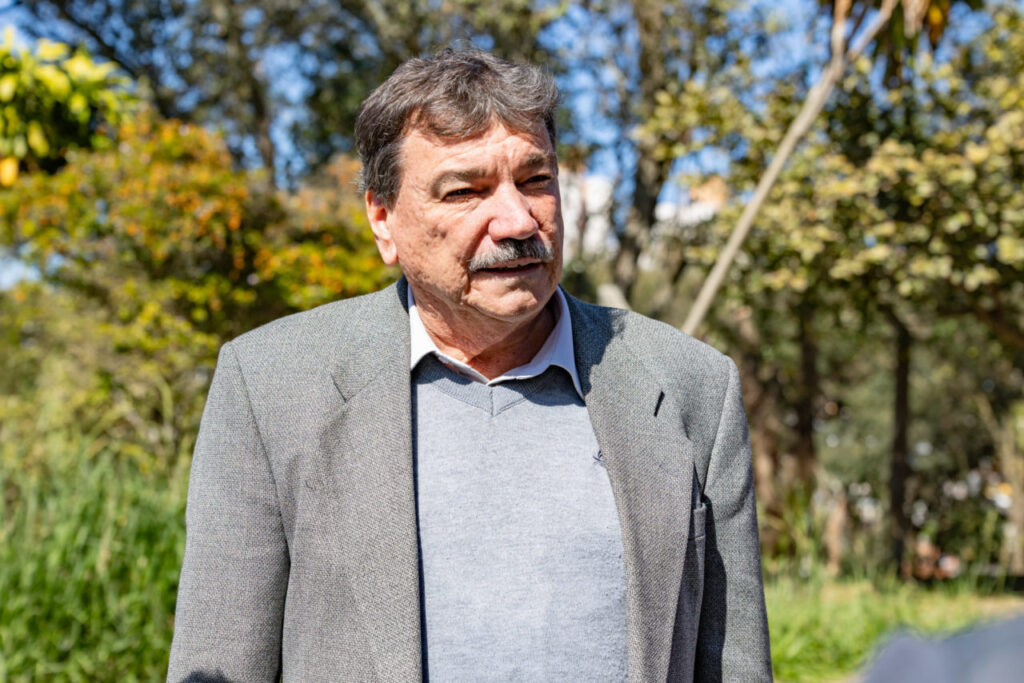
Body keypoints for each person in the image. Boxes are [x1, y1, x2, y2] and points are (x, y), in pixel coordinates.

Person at [167, 49, 771, 682]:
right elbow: (219, 664)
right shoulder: (271, 385)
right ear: (383, 220)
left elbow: (735, 668)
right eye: (465, 191)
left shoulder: (690, 385)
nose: (517, 221)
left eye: (535, 180)